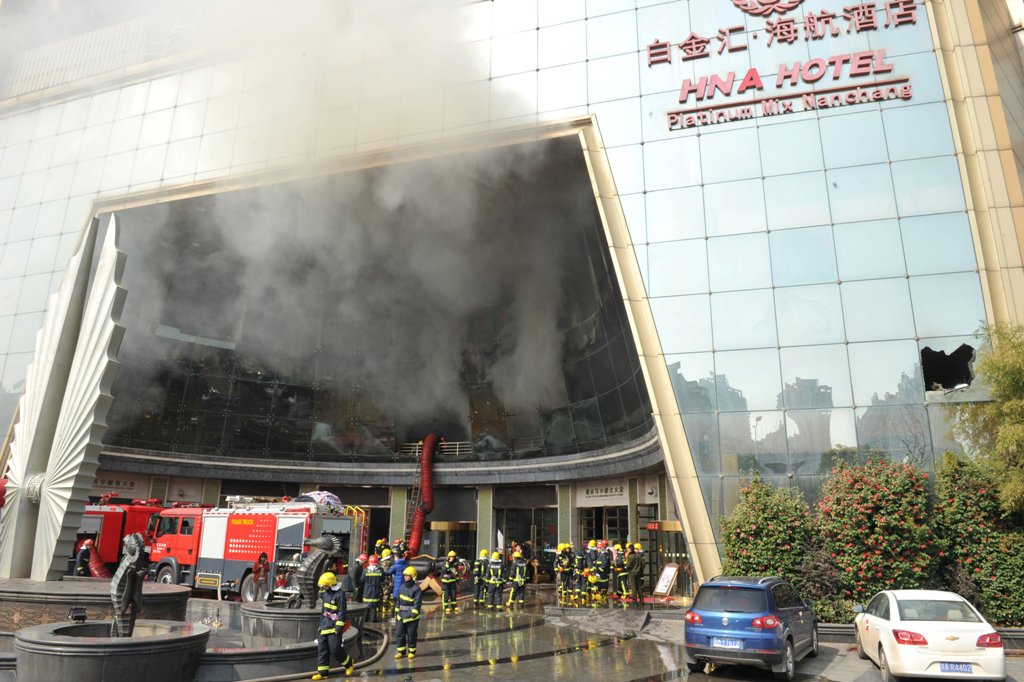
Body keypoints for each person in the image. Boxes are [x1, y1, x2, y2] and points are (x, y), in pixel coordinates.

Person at [311, 571, 354, 680]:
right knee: (322, 649)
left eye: (324, 585)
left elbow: (342, 612)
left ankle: (348, 663)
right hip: (325, 625)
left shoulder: (340, 594)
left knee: (335, 649)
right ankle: (323, 673)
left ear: (330, 584)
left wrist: (339, 627)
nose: (323, 587)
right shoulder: (325, 593)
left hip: (334, 626)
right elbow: (323, 610)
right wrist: (321, 624)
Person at [394, 566, 422, 660]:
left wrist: (414, 612)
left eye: (407, 576)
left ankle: (411, 651)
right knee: (399, 634)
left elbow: (417, 602)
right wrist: (397, 610)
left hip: (411, 617)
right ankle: (401, 651)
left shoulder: (416, 589)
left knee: (411, 634)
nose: (405, 577)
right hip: (401, 615)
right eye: (404, 576)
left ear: (413, 576)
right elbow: (398, 600)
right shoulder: (402, 587)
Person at [361, 554, 383, 622]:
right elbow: (382, 579)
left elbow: (362, 580)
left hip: (367, 591)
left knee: (366, 606)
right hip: (376, 590)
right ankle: (373, 619)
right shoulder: (380, 570)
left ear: (369, 562)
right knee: (374, 607)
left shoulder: (365, 570)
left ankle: (365, 619)